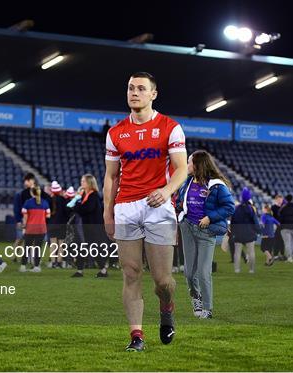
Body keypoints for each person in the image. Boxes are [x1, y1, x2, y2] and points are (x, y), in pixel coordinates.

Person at [103, 72, 187, 351]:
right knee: (131, 273)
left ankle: (166, 308)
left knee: (163, 281)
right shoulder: (116, 132)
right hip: (126, 207)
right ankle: (136, 336)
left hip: (158, 207)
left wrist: (166, 191)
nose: (134, 92)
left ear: (153, 94)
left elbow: (181, 168)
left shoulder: (170, 127)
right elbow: (111, 177)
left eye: (141, 88)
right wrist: (108, 212)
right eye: (130, 88)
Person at [176, 150, 235, 319]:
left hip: (206, 231)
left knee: (203, 272)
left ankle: (207, 309)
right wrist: (180, 208)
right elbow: (182, 201)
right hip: (187, 228)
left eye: (189, 162)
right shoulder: (186, 182)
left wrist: (210, 217)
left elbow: (229, 207)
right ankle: (196, 299)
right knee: (188, 272)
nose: (187, 165)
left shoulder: (216, 185)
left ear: (198, 165)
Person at [68, 174, 110, 278]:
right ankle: (80, 270)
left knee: (94, 249)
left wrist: (77, 205)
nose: (81, 183)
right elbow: (75, 208)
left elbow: (86, 209)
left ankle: (103, 270)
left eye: (83, 181)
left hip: (92, 228)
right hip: (83, 227)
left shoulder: (93, 196)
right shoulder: (84, 195)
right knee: (81, 248)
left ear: (89, 183)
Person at [21, 186, 51, 273]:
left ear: (31, 193)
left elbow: (25, 217)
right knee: (38, 248)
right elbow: (48, 215)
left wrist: (24, 227)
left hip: (30, 228)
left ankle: (23, 266)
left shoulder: (27, 203)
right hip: (41, 228)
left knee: (27, 247)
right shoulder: (45, 202)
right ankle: (37, 267)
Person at [231, 188, 260, 274]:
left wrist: (232, 232)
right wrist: (258, 231)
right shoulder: (251, 209)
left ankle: (237, 270)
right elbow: (255, 221)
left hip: (238, 233)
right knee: (251, 252)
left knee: (237, 252)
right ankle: (251, 270)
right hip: (249, 233)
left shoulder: (237, 208)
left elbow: (233, 221)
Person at [49, 181, 71, 268]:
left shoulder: (49, 200)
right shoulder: (63, 200)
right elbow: (67, 212)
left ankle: (53, 262)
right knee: (61, 244)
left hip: (51, 225)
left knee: (53, 244)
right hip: (62, 224)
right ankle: (59, 262)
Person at [271, 194, 286, 261]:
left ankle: (282, 254)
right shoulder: (273, 207)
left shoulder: (284, 207)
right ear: (276, 200)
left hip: (283, 226)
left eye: (281, 199)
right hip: (276, 226)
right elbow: (271, 217)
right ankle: (276, 255)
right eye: (278, 199)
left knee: (282, 241)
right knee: (276, 241)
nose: (280, 200)